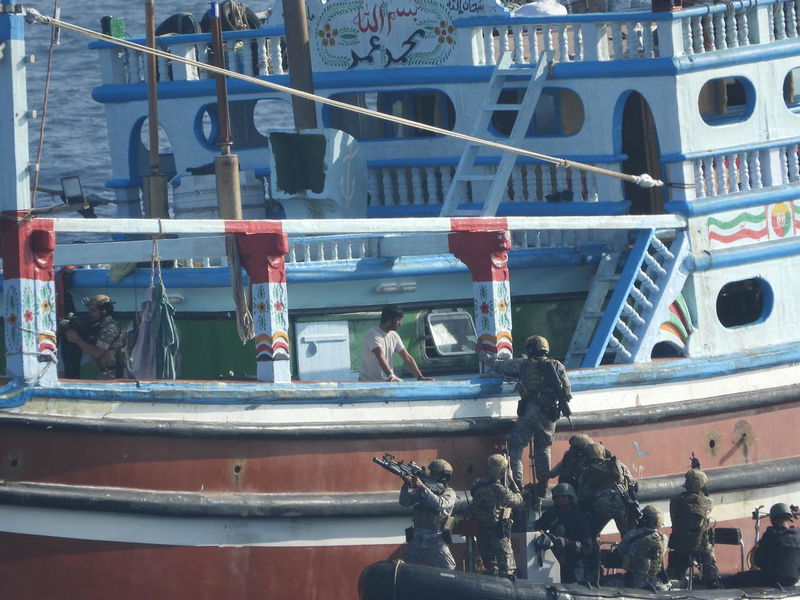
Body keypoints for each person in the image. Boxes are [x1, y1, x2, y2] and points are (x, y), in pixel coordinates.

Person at [477, 334, 572, 499]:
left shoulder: (523, 365)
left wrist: (481, 353)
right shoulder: (558, 366)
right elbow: (568, 392)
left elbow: (498, 365)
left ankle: (518, 485)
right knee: (543, 449)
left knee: (516, 446)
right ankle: (543, 486)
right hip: (550, 416)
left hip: (531, 412)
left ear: (530, 350)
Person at [470, 454, 526, 578]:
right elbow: (519, 501)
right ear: (502, 471)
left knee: (491, 570)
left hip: (483, 534)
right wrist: (511, 480)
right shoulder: (500, 490)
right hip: (499, 534)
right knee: (507, 571)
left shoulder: (477, 485)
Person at [399, 458, 457, 569]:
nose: (430, 476)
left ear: (443, 477)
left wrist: (423, 487)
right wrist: (405, 485)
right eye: (431, 473)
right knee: (407, 569)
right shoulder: (422, 490)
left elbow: (439, 504)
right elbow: (404, 501)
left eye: (434, 474)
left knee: (449, 569)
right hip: (418, 537)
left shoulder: (449, 493)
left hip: (436, 539)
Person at [667, 469, 720, 588]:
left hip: (679, 543)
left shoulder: (675, 500)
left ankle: (671, 581)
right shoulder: (707, 502)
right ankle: (712, 581)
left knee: (673, 574)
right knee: (709, 555)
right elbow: (707, 508)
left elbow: (674, 519)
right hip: (701, 545)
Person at [534, 482, 594, 583]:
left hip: (574, 562)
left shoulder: (579, 517)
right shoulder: (552, 514)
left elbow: (587, 547)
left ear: (570, 498)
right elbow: (537, 527)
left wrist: (567, 543)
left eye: (563, 497)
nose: (560, 500)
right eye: (557, 497)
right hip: (554, 559)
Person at [729, 503, 800, 587]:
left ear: (773, 520)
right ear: (789, 518)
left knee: (736, 579)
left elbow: (758, 561)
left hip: (770, 580)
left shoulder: (771, 534)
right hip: (791, 582)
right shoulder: (798, 536)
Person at [577, 442, 639, 538]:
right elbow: (632, 485)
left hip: (600, 507)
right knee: (629, 535)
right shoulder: (618, 465)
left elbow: (582, 495)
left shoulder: (586, 471)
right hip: (620, 505)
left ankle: (594, 549)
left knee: (591, 535)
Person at [64, 294, 130, 379]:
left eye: (93, 311)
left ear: (104, 311)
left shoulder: (110, 327)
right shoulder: (100, 326)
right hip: (107, 374)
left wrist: (77, 340)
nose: (90, 314)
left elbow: (97, 353)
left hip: (114, 376)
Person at [360, 305, 432, 382]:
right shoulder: (373, 334)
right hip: (369, 381)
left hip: (387, 380)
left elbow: (407, 357)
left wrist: (420, 377)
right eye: (398, 320)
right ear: (389, 319)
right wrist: (390, 375)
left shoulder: (394, 335)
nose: (401, 323)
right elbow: (380, 356)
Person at [617, 505, 669, 591]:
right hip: (657, 582)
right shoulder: (663, 538)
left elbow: (620, 551)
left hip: (634, 582)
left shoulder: (631, 535)